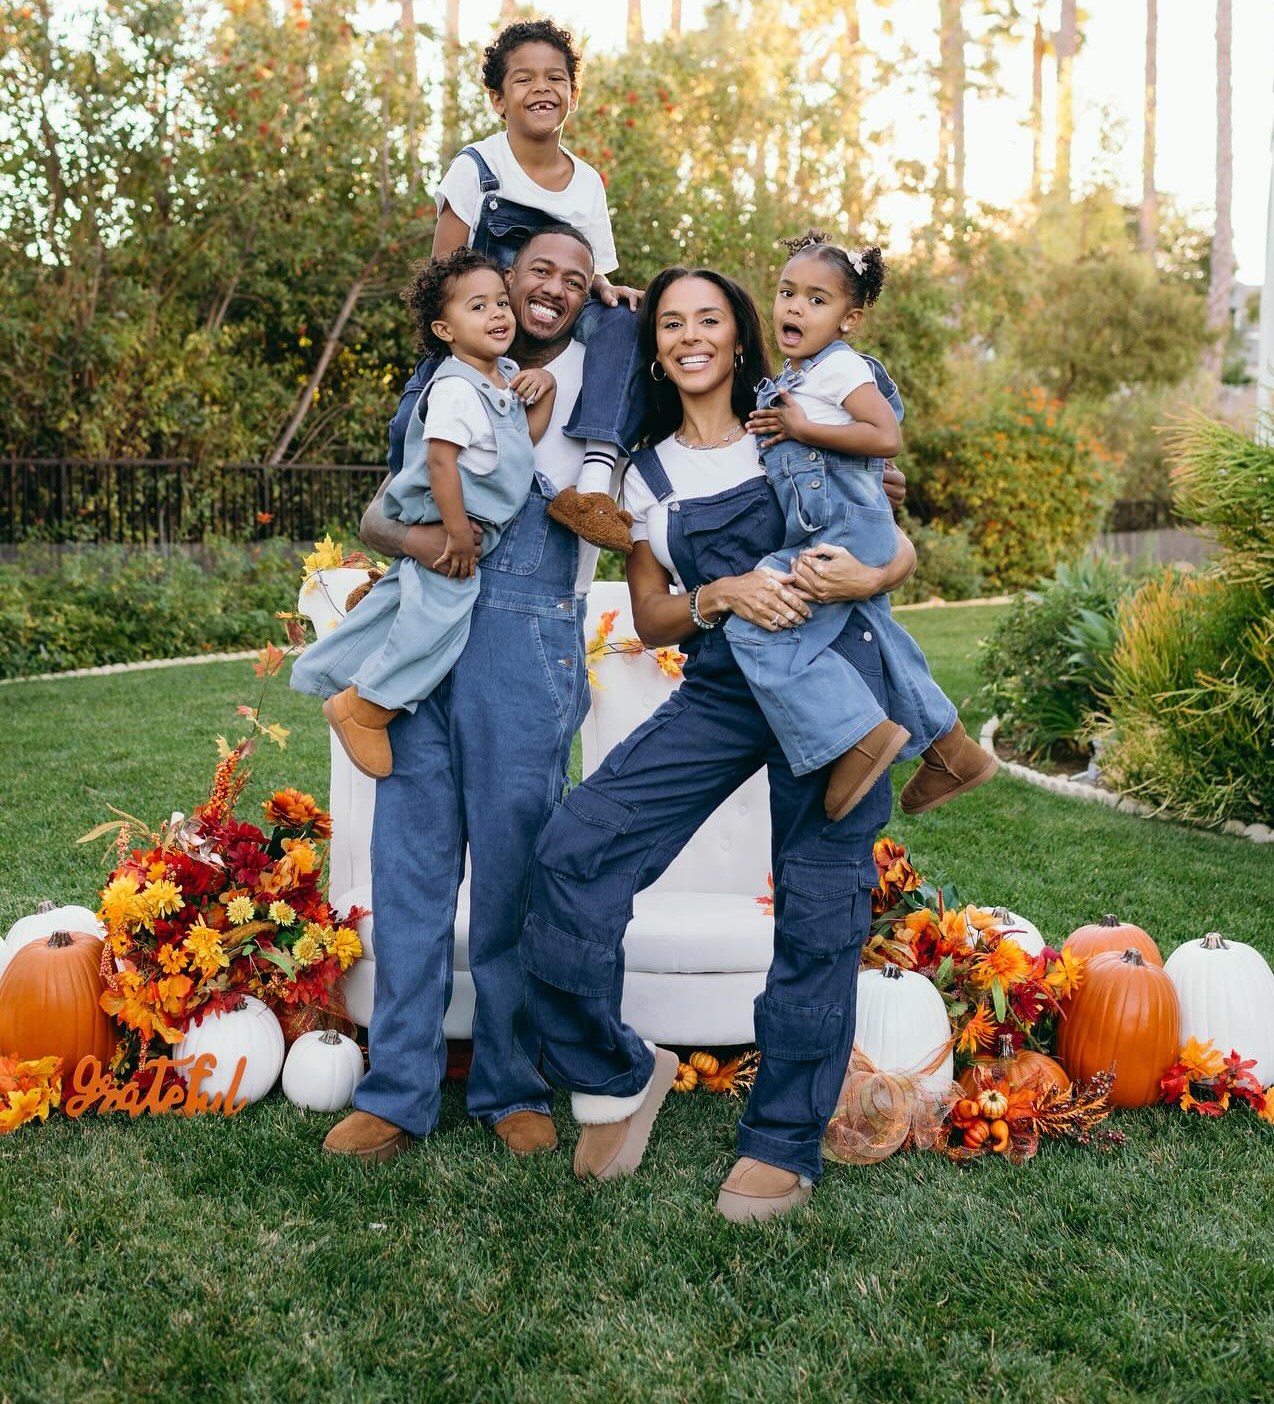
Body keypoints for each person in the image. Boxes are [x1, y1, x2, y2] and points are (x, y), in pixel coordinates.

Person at [518, 265, 918, 1223]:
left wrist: (863, 581)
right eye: (669, 325)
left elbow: (896, 548)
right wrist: (726, 593)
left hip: (835, 687)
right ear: (656, 347)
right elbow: (654, 616)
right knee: (577, 849)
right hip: (724, 690)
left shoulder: (800, 429)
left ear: (740, 338)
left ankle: (783, 1138)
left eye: (709, 320)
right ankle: (619, 1072)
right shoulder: (648, 473)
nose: (689, 337)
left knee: (819, 907)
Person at [317, 223, 613, 1163]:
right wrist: (426, 542)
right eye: (535, 272)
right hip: (430, 634)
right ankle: (397, 1092)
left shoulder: (606, 375)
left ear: (588, 290)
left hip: (526, 648)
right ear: (501, 282)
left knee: (514, 882)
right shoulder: (445, 381)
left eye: (576, 276)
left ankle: (512, 1083)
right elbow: (378, 512)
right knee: (410, 873)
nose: (550, 289)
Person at [727, 231, 999, 821]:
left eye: (817, 300)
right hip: (840, 526)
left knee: (756, 624)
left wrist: (802, 432)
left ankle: (858, 736)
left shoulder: (839, 368)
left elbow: (884, 435)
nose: (795, 307)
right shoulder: (798, 377)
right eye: (786, 292)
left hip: (843, 531)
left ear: (849, 319)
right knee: (883, 639)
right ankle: (953, 751)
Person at [290, 250, 558, 779]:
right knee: (437, 626)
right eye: (478, 307)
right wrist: (456, 535)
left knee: (397, 607)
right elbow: (440, 462)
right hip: (447, 520)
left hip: (465, 521)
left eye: (501, 302)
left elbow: (523, 441)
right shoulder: (458, 387)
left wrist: (544, 389)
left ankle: (333, 671)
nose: (498, 314)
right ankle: (367, 707)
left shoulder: (504, 376)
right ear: (446, 329)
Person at [391, 17, 644, 555]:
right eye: (524, 79)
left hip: (555, 317)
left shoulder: (587, 184)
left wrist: (611, 291)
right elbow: (444, 277)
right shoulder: (476, 168)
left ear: (572, 95)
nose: (542, 88)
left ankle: (593, 486)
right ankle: (399, 537)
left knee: (625, 322)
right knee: (407, 419)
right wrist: (463, 357)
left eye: (556, 78)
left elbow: (596, 273)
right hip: (484, 324)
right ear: (498, 99)